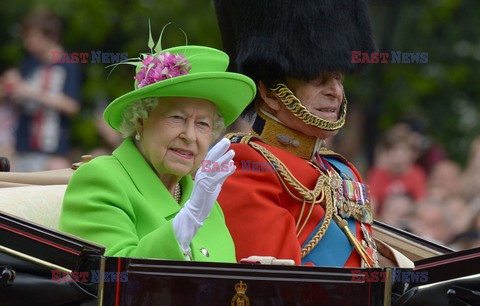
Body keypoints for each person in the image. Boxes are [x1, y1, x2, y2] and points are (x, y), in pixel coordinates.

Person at [214, 0, 407, 268]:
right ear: (270, 93)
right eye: (318, 80)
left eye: (338, 78)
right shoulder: (244, 165)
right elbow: (280, 286)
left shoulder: (341, 170)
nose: (335, 92)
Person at [59, 43, 256, 262]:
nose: (190, 136)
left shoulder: (201, 197)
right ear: (141, 121)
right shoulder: (100, 179)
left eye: (202, 124)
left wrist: (254, 275)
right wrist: (189, 219)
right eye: (177, 118)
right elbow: (115, 275)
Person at [7, 9, 82, 172]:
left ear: (51, 36)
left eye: (32, 37)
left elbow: (72, 106)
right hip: (22, 149)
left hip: (52, 153)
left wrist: (34, 93)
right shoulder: (29, 63)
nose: (27, 42)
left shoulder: (67, 65)